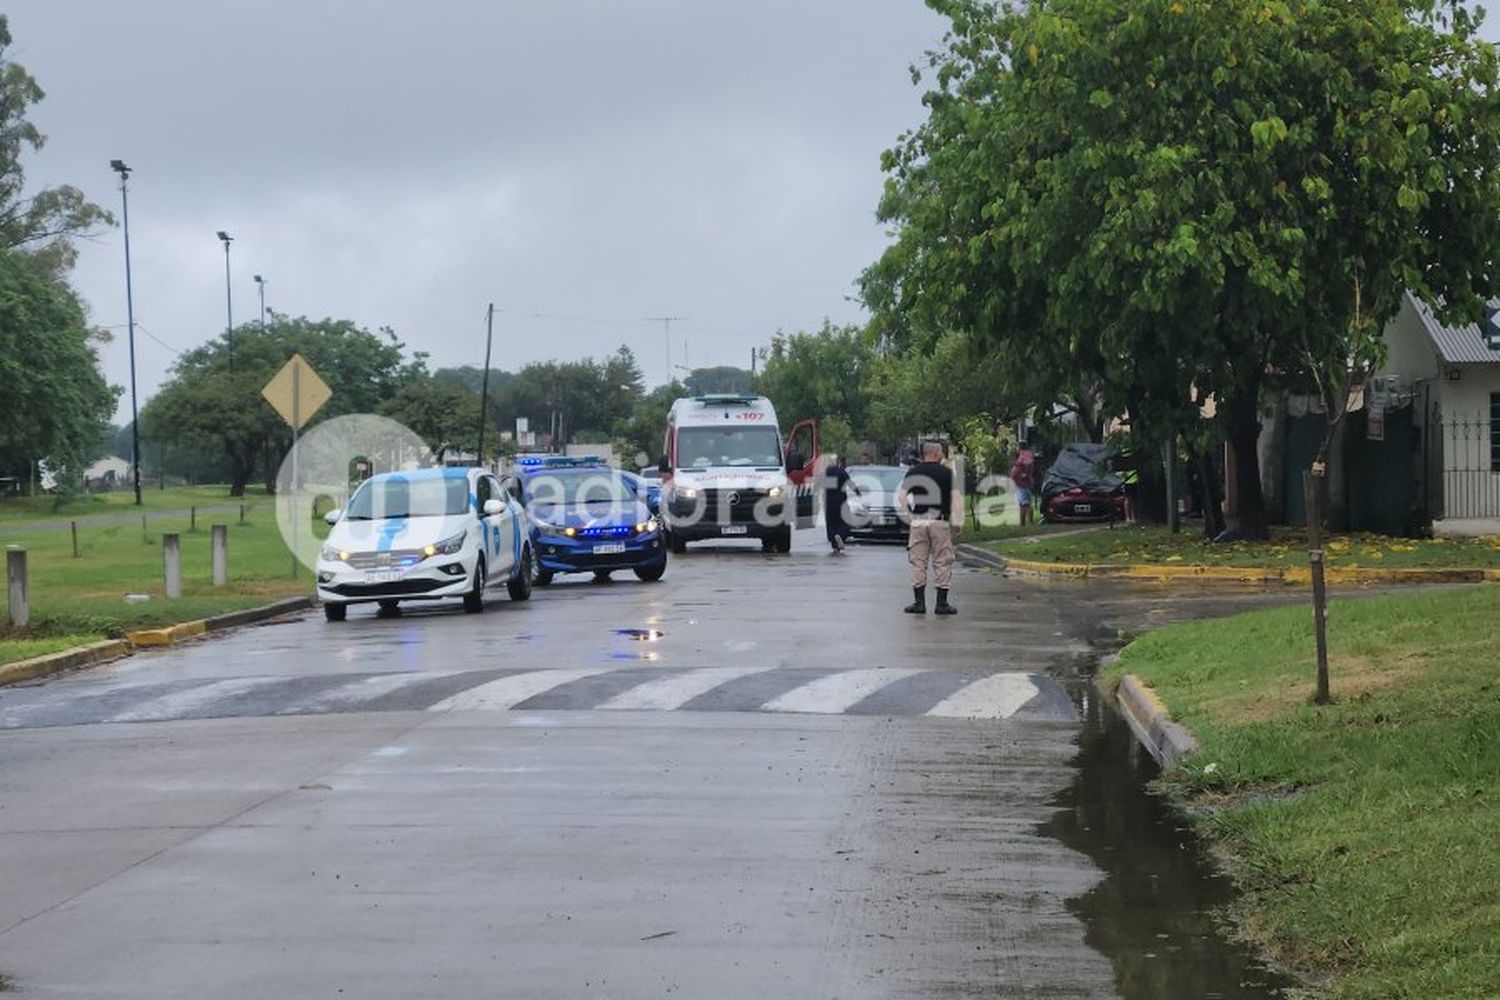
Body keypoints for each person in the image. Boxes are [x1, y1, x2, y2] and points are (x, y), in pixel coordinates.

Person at [897, 441, 959, 615]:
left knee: (918, 561)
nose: (942, 454)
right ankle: (941, 603)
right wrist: (958, 522)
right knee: (942, 560)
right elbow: (956, 499)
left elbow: (902, 497)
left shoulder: (913, 472)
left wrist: (910, 515)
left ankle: (919, 603)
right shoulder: (947, 473)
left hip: (919, 521)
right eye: (940, 451)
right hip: (940, 521)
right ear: (935, 453)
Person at [822, 454, 858, 553]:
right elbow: (850, 483)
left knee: (831, 523)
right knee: (844, 522)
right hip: (841, 501)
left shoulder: (826, 472)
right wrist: (858, 492)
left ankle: (834, 544)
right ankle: (841, 535)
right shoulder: (841, 472)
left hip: (829, 502)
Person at [1009, 446, 1037, 526]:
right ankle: (1026, 522)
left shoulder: (1022, 465)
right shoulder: (1027, 459)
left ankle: (1025, 523)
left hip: (1022, 486)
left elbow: (1018, 475)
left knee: (1024, 505)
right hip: (1024, 486)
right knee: (1026, 504)